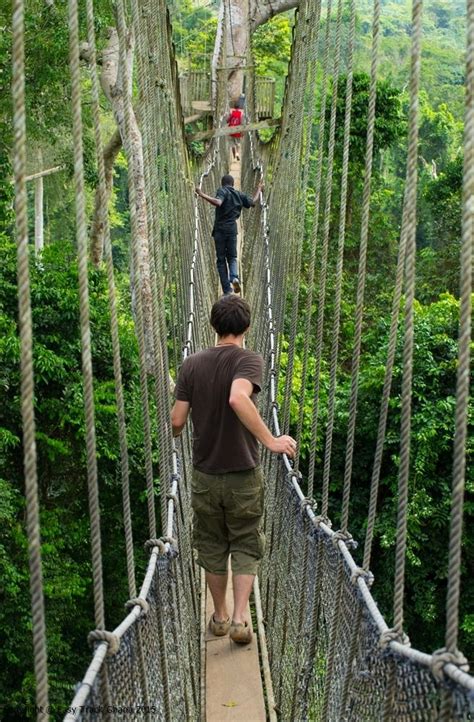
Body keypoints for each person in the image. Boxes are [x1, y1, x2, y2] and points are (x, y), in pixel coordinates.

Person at [171, 295, 296, 645]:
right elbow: (238, 398)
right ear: (247, 327)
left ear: (213, 326)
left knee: (211, 544)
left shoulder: (191, 364)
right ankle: (242, 618)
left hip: (205, 475)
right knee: (244, 541)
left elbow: (177, 421)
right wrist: (271, 441)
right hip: (243, 473)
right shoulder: (249, 361)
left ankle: (221, 617)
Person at [195, 174, 263, 296]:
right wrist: (259, 189)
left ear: (222, 184)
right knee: (232, 257)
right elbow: (253, 202)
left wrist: (201, 194)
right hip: (232, 230)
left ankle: (227, 290)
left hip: (220, 231)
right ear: (232, 184)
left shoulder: (222, 191)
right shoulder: (239, 194)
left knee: (221, 260)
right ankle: (234, 278)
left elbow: (218, 202)